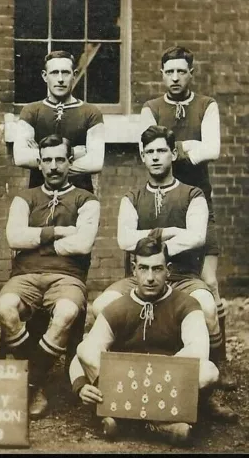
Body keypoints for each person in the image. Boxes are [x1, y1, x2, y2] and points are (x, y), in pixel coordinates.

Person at [90, 125, 237, 421]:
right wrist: (170, 232)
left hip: (183, 275)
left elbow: (196, 237)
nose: (155, 157)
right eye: (149, 152)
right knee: (100, 306)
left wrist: (150, 240)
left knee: (207, 309)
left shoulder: (192, 194)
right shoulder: (131, 197)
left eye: (161, 151)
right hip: (140, 277)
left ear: (172, 154)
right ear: (142, 157)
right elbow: (124, 239)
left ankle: (208, 394)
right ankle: (121, 384)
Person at [69, 235, 220, 446]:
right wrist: (82, 386)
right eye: (144, 268)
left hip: (167, 385)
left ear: (168, 269)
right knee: (84, 348)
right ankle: (159, 425)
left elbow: (198, 351)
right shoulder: (118, 307)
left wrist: (154, 375)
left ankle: (126, 421)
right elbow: (85, 352)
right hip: (125, 381)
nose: (150, 277)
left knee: (209, 371)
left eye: (157, 269)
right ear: (134, 269)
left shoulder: (186, 305)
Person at [139, 46, 231, 388]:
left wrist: (171, 148)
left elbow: (214, 149)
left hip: (200, 201)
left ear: (191, 72)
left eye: (181, 71)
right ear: (161, 73)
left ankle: (220, 362)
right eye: (169, 72)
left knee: (208, 281)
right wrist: (191, 146)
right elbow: (144, 149)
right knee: (153, 271)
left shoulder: (207, 105)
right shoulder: (151, 108)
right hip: (162, 199)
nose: (175, 77)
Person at [0, 134, 100, 420]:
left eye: (60, 160)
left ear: (70, 162)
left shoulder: (87, 200)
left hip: (67, 277)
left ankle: (30, 384)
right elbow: (14, 237)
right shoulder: (24, 198)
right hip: (26, 275)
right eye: (48, 160)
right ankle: (37, 375)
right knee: (5, 308)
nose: (53, 167)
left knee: (67, 311)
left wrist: (38, 240)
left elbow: (83, 244)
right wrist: (58, 232)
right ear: (39, 164)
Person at [13, 51, 104, 193]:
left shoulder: (91, 112)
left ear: (74, 75)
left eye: (66, 73)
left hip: (80, 194)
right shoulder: (30, 111)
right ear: (45, 76)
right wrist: (74, 152)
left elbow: (96, 162)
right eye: (54, 73)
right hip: (40, 195)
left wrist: (42, 156)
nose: (60, 79)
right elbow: (20, 157)